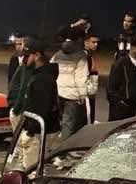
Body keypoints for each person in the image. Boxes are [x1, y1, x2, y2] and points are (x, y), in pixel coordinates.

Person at [20, 40, 59, 170]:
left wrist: (30, 131)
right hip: (41, 130)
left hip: (39, 132)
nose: (24, 60)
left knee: (31, 169)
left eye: (27, 56)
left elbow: (41, 109)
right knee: (35, 166)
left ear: (37, 55)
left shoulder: (42, 78)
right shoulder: (40, 75)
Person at [52, 33, 90, 139]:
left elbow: (51, 69)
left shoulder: (58, 54)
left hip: (59, 92)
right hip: (72, 96)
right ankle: (65, 147)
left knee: (62, 122)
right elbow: (80, 78)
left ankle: (60, 142)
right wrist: (82, 96)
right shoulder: (81, 55)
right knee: (69, 125)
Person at [107, 34, 136, 120]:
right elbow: (111, 89)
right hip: (118, 111)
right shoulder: (120, 63)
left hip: (132, 109)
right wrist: (120, 103)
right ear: (133, 47)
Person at [83, 32, 100, 123]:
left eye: (97, 42)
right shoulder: (85, 56)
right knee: (88, 115)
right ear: (86, 43)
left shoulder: (89, 55)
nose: (96, 44)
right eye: (93, 42)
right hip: (87, 92)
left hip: (90, 91)